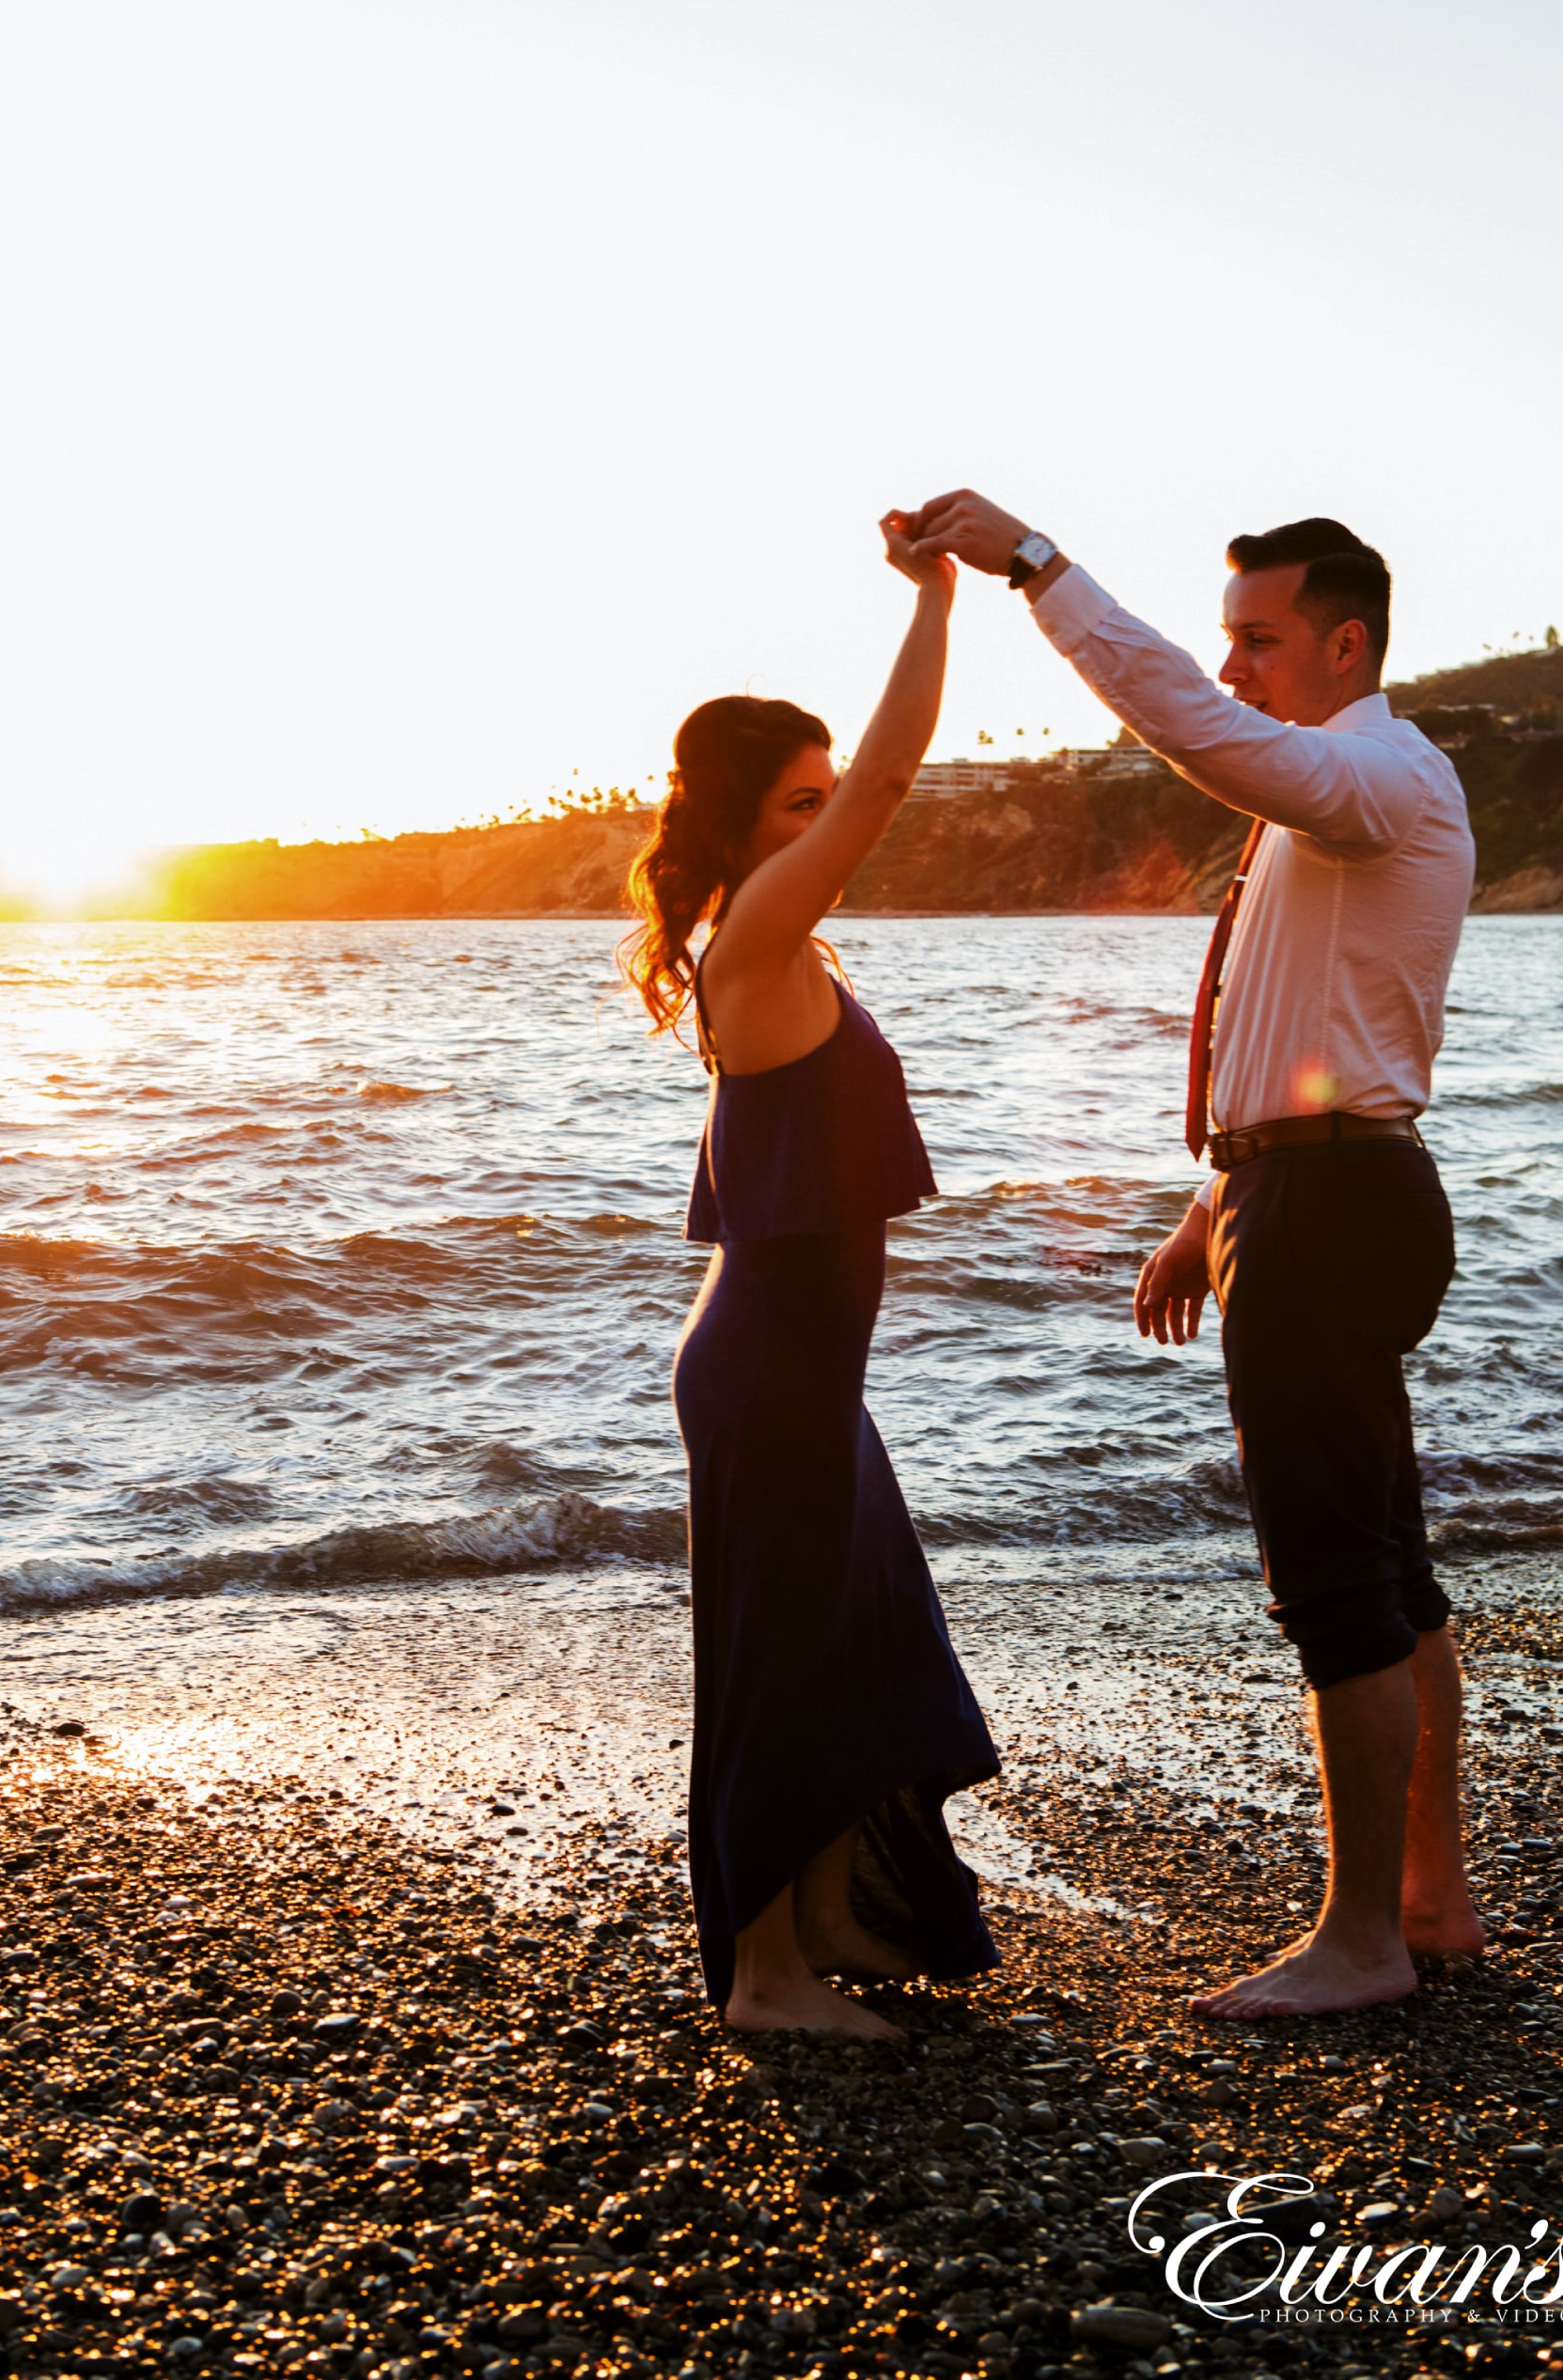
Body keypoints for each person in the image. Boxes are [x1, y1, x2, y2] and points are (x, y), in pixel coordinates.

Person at [912, 490, 1483, 2021]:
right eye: (1226, 637)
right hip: (1301, 1194)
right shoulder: (1341, 801)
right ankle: (1431, 1897)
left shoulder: (1374, 775)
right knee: (1390, 1564)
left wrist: (1040, 572)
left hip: (1336, 1209)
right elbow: (1299, 1031)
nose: (1233, 668)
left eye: (1259, 638)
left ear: (1346, 641)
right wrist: (1207, 1208)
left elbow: (1202, 733)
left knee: (1337, 1585)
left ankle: (1363, 1941)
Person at [622, 511, 1000, 2040]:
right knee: (779, 1666)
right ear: (736, 826)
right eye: (800, 802)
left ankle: (837, 1917)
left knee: (859, 1640)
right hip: (770, 1371)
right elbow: (903, 777)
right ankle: (765, 1982)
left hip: (805, 1375)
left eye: (826, 798)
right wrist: (936, 601)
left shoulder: (793, 943)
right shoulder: (760, 931)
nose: (831, 820)